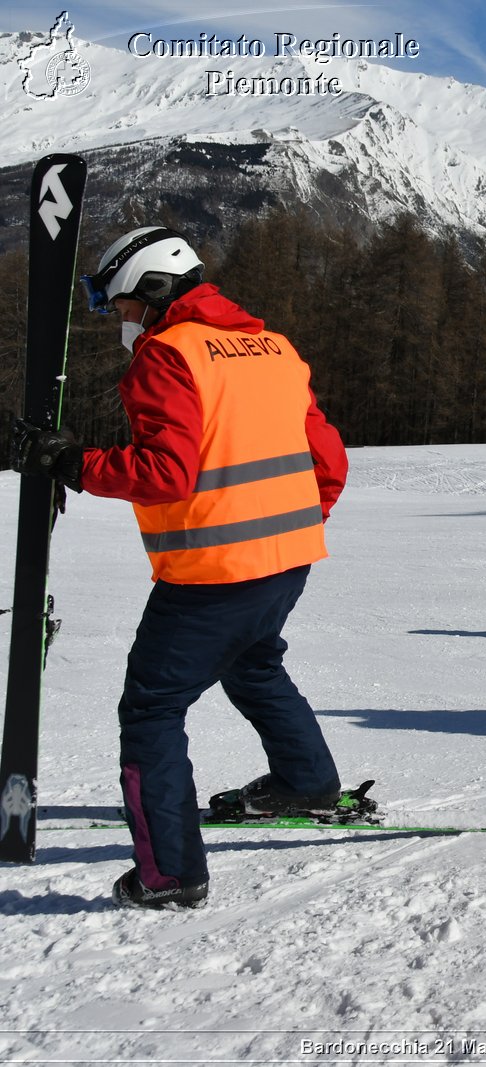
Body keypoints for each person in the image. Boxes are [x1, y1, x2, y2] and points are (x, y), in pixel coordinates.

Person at [12, 226, 348, 910]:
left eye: (122, 305)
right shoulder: (273, 347)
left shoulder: (169, 354)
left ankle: (169, 871)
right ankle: (307, 780)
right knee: (254, 665)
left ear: (155, 290)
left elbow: (166, 472)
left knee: (153, 708)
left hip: (210, 575)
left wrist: (74, 464)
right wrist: (291, 528)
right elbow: (329, 461)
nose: (119, 320)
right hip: (284, 562)